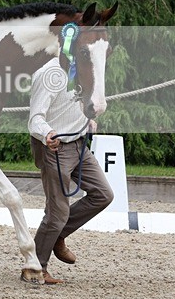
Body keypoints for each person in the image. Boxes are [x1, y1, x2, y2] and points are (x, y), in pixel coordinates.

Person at [28, 58, 114, 284]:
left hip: (80, 144)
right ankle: (35, 268)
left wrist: (87, 120)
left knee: (103, 195)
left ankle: (58, 236)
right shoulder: (49, 74)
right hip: (56, 148)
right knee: (57, 213)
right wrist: (47, 134)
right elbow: (35, 118)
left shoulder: (85, 69)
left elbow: (80, 103)